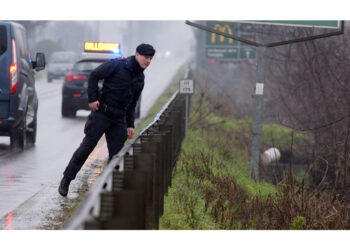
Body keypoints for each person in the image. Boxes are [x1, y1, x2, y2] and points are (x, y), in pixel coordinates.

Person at [58, 44, 155, 197]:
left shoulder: (140, 79)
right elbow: (94, 75)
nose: (148, 61)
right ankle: (67, 179)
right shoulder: (117, 65)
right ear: (137, 54)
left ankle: (107, 189)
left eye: (150, 59)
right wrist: (92, 99)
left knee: (116, 156)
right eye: (146, 57)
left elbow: (132, 104)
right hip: (102, 113)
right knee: (86, 147)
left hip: (119, 118)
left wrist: (130, 124)